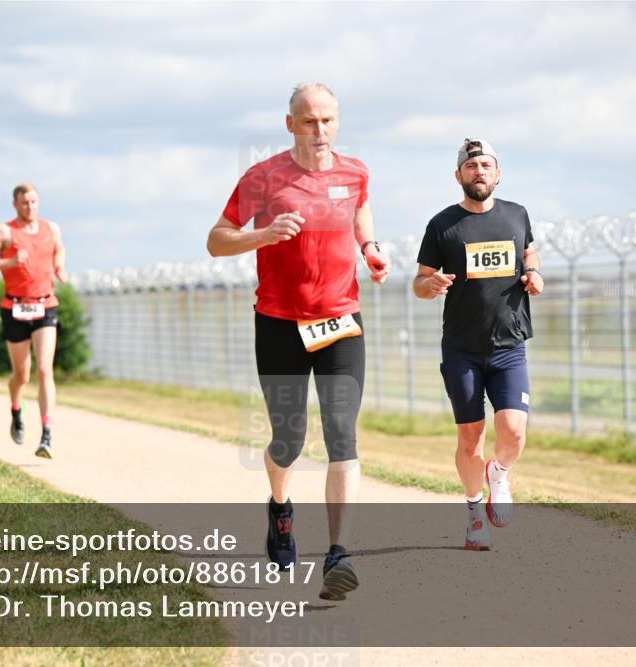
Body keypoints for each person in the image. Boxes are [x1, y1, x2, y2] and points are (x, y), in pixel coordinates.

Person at [207, 83, 389, 601]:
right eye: (310, 121)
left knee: (341, 433)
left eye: (328, 120)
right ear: (290, 125)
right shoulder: (262, 178)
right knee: (288, 437)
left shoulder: (355, 172)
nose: (321, 131)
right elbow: (216, 239)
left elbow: (360, 213)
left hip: (339, 320)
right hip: (280, 322)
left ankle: (339, 553)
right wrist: (259, 236)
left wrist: (370, 248)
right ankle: (281, 509)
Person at [413, 138, 544, 551]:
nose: (479, 171)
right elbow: (419, 281)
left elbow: (530, 253)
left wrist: (534, 275)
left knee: (514, 432)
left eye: (486, 165)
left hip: (510, 345)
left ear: (497, 173)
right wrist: (429, 285)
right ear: (459, 176)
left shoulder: (516, 215)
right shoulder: (442, 225)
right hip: (462, 349)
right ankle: (473, 513)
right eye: (471, 167)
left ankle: (499, 473)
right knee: (470, 437)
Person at [0, 183, 68, 459]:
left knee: (44, 370)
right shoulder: (4, 232)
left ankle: (46, 435)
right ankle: (16, 409)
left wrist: (59, 266)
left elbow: (59, 249)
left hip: (45, 305)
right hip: (14, 307)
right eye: (25, 203)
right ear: (15, 204)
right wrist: (10, 262)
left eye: (34, 202)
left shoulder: (51, 228)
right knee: (22, 375)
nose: (30, 207)